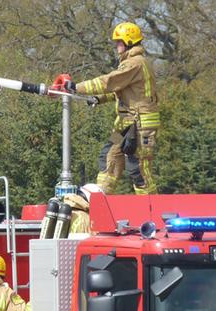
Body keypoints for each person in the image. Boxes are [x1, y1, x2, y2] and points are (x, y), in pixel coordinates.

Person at [61, 22, 160, 195]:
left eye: (119, 42)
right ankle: (102, 199)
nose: (116, 46)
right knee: (110, 156)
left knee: (138, 169)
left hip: (141, 126)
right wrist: (98, 99)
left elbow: (109, 82)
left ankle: (151, 209)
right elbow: (118, 91)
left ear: (129, 42)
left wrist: (76, 87)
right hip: (125, 124)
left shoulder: (135, 63)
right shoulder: (130, 63)